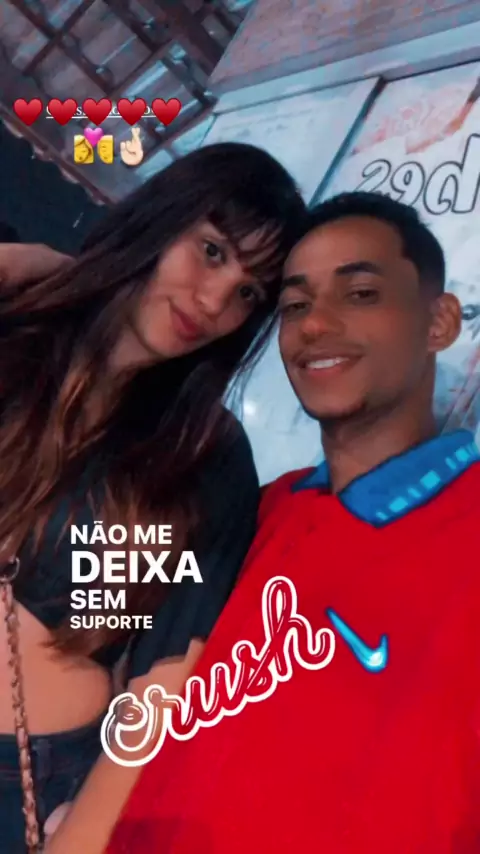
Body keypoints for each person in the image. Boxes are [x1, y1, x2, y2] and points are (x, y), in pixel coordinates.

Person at [105, 192, 480, 854]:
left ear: (439, 321)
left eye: (361, 293)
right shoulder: (250, 508)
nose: (314, 325)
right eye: (295, 306)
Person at [0, 141, 307, 854]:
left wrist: (85, 837)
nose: (214, 301)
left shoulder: (206, 457)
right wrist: (25, 266)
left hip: (27, 781)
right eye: (211, 251)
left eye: (248, 294)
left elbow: (164, 685)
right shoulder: (18, 333)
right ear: (161, 218)